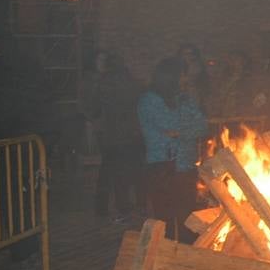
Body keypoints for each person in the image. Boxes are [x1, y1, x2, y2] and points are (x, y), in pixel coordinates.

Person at [137, 57, 208, 241]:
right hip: (163, 165)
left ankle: (188, 254)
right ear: (171, 76)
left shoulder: (185, 99)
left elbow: (202, 126)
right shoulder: (150, 100)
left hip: (186, 165)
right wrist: (185, 128)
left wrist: (181, 131)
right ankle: (166, 254)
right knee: (166, 220)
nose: (186, 79)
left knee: (188, 219)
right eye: (183, 74)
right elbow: (172, 125)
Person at [89, 51, 144, 222]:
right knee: (130, 172)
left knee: (109, 171)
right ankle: (131, 207)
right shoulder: (131, 82)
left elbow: (94, 109)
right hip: (131, 133)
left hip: (111, 134)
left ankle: (107, 208)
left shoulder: (103, 83)